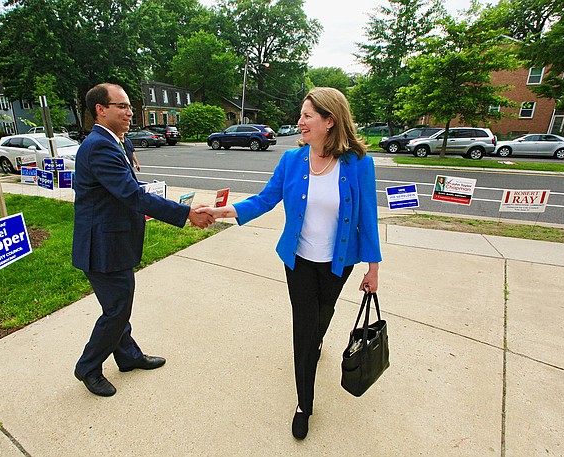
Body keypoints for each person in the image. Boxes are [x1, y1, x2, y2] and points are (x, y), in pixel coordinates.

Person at [197, 87, 382, 439]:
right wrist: (226, 211)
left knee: (323, 315)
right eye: (301, 115)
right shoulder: (292, 161)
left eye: (307, 116)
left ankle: (316, 342)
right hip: (298, 260)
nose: (299, 122)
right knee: (304, 331)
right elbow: (266, 198)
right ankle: (304, 403)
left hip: (338, 262)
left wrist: (373, 267)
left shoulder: (358, 163)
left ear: (329, 121)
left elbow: (367, 218)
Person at [72, 83, 213, 397]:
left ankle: (128, 356)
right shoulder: (99, 145)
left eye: (129, 106)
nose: (129, 111)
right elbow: (131, 194)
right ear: (100, 109)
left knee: (117, 306)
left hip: (111, 243)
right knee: (117, 310)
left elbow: (122, 188)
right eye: (121, 106)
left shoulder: (110, 142)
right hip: (103, 247)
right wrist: (186, 213)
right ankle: (88, 366)